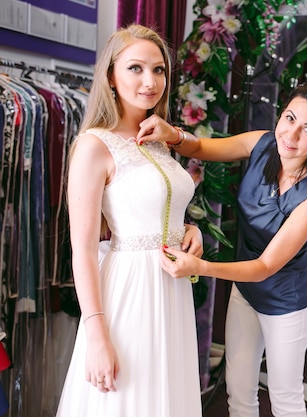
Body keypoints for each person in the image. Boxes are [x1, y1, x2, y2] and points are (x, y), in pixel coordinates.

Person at [136, 82, 307, 417]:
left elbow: (265, 265)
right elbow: (202, 146)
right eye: (289, 118)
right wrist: (171, 134)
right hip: (245, 292)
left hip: (286, 302)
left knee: (285, 399)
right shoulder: (261, 143)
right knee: (239, 392)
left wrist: (199, 267)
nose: (291, 135)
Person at [56, 25, 204, 417]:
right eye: (136, 68)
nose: (149, 81)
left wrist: (190, 230)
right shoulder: (94, 145)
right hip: (130, 292)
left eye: (158, 70)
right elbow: (83, 250)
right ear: (111, 76)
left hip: (170, 290)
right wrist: (96, 336)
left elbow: (158, 207)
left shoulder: (157, 136)